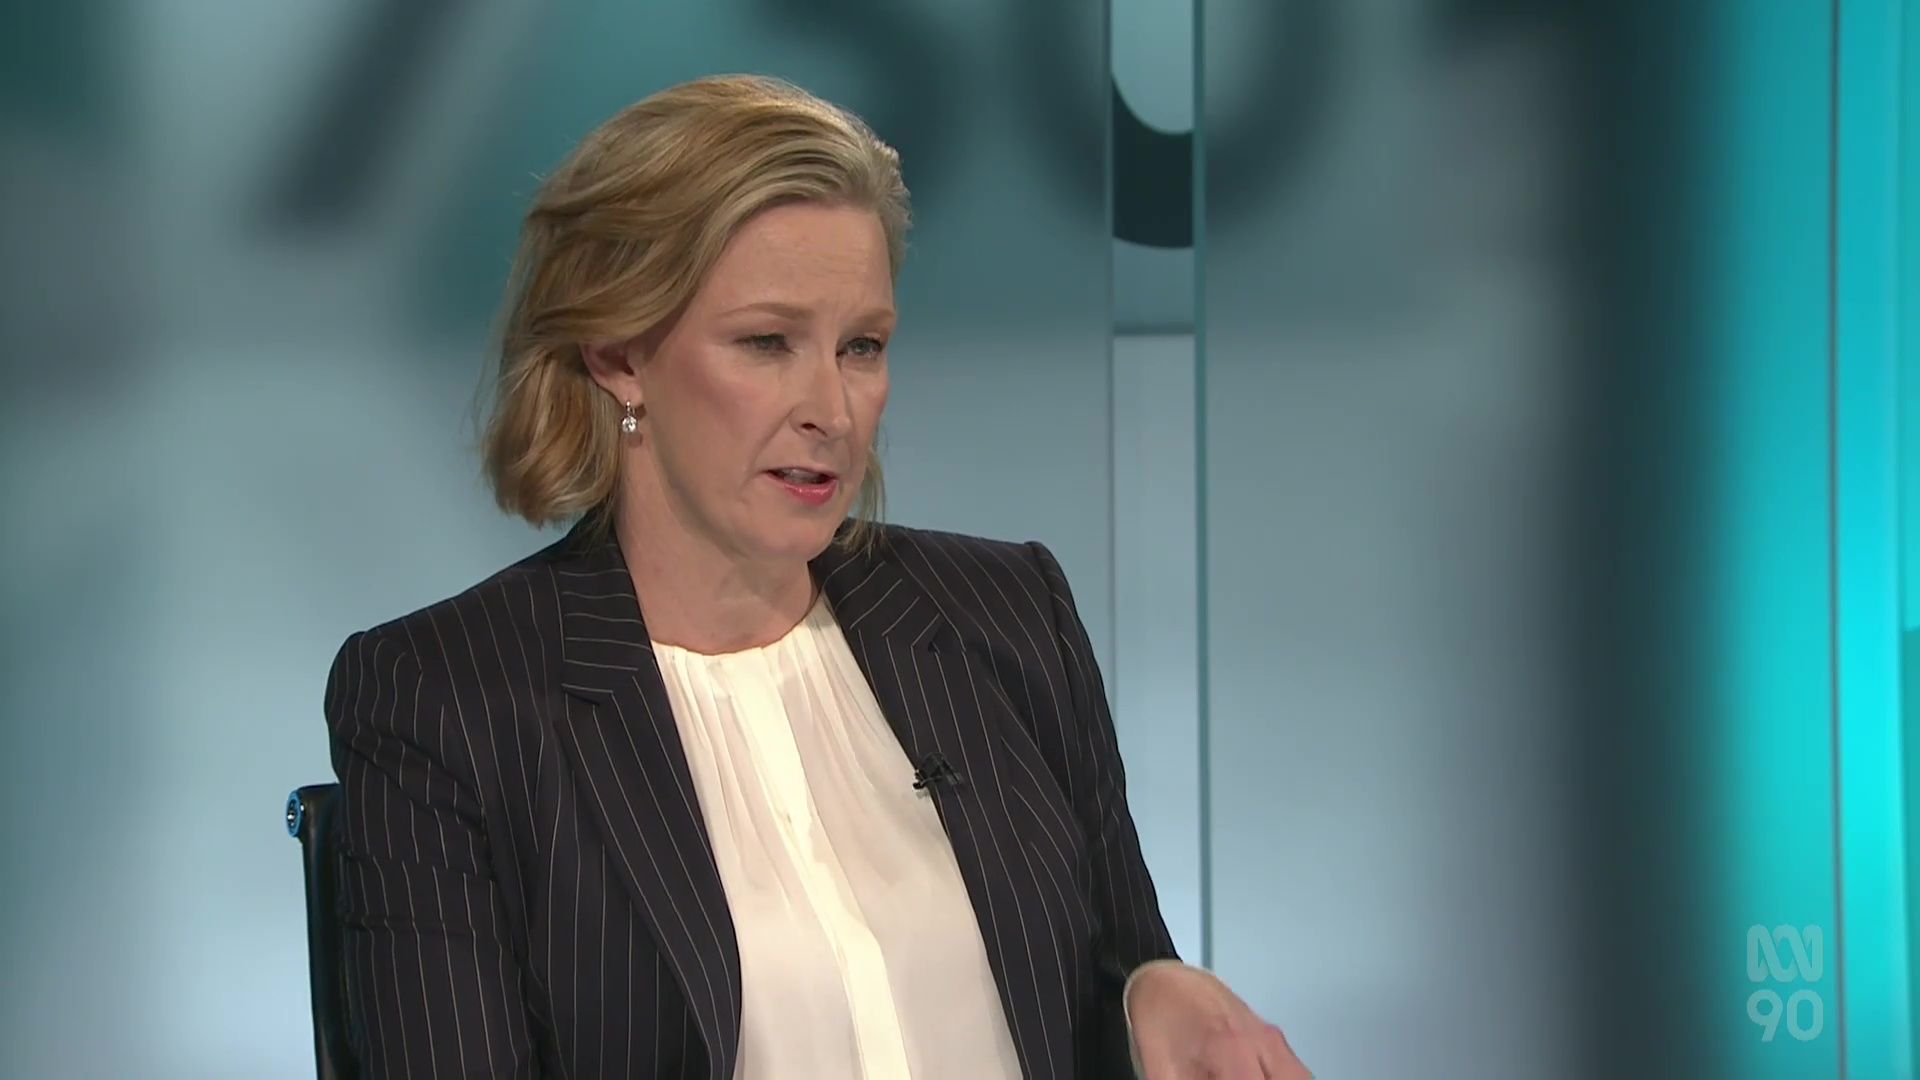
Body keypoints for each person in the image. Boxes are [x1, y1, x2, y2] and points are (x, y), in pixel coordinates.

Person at [323, 73, 1309, 1080]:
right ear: (618, 354)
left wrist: (1153, 994)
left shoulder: (1007, 616)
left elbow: (1113, 972)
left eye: (861, 347)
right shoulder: (446, 698)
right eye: (767, 343)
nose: (832, 410)